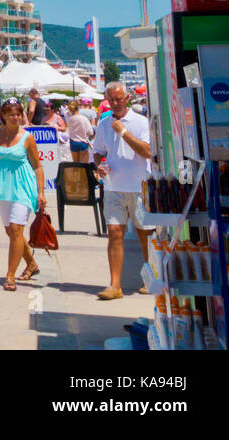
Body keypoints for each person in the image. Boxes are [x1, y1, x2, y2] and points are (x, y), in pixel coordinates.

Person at [91, 80, 152, 300]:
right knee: (114, 234)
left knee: (145, 234)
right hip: (114, 187)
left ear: (127, 98)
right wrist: (99, 165)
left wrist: (124, 132)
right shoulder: (103, 124)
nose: (116, 103)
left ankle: (151, 279)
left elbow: (147, 151)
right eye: (112, 99)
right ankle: (115, 285)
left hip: (138, 187)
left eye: (119, 98)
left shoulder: (140, 121)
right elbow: (98, 151)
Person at [0, 97, 45, 291]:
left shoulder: (27, 138)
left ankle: (10, 275)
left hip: (24, 187)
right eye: (11, 114)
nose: (16, 117)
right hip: (2, 187)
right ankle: (31, 264)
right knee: (10, 231)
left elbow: (38, 167)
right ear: (4, 116)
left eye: (18, 114)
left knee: (17, 229)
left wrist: (41, 192)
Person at [67, 98, 95, 164]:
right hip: (83, 141)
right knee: (84, 165)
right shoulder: (84, 118)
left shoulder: (69, 119)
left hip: (73, 141)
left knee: (75, 164)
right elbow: (90, 132)